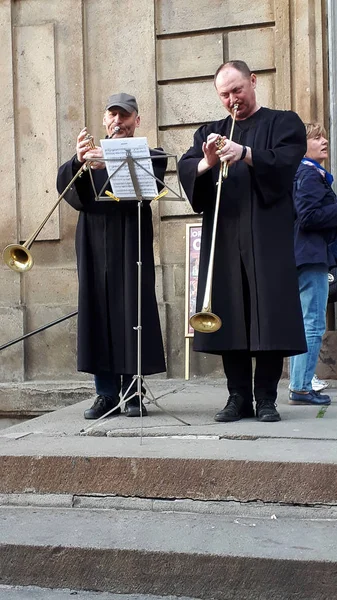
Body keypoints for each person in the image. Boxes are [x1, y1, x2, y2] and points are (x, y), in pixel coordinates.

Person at [178, 60, 307, 423]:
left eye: (238, 89)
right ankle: (237, 397)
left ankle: (266, 397)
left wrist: (246, 154)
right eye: (224, 94)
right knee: (228, 313)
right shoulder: (211, 130)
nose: (232, 99)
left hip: (268, 235)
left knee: (269, 316)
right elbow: (187, 170)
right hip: (224, 237)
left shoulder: (283, 122)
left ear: (253, 82)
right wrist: (205, 163)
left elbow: (285, 162)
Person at [57, 93, 167, 419]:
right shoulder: (87, 155)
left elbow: (151, 186)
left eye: (125, 116)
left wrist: (113, 161)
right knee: (97, 311)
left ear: (137, 120)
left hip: (131, 239)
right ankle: (105, 393)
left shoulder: (150, 154)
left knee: (132, 311)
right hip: (92, 240)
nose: (118, 122)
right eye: (113, 116)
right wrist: (78, 162)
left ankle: (134, 393)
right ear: (104, 120)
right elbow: (68, 191)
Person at [289, 122, 337, 406]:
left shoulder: (308, 173)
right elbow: (308, 216)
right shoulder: (307, 173)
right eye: (317, 137)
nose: (324, 140)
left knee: (307, 323)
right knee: (313, 323)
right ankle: (302, 388)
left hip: (306, 255)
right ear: (302, 145)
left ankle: (300, 384)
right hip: (310, 255)